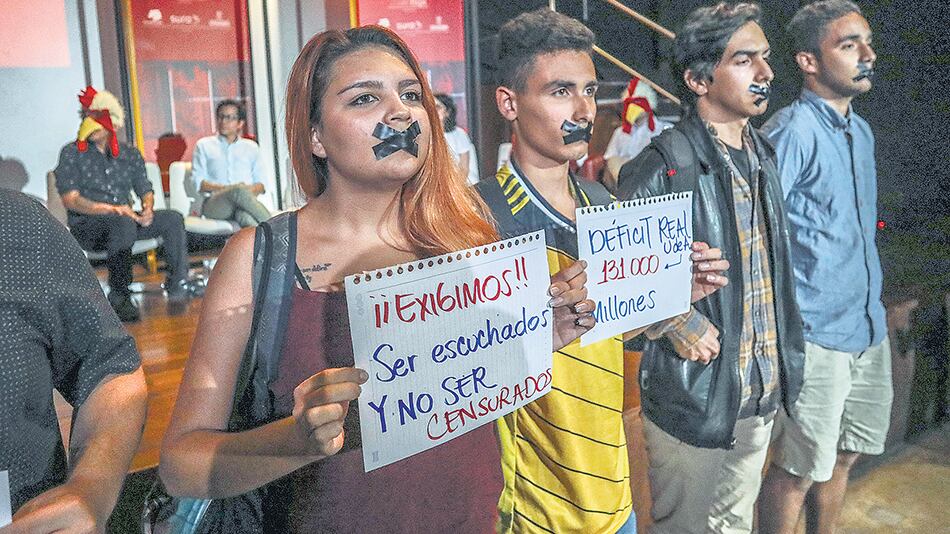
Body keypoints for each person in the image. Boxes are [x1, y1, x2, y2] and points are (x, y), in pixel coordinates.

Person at [159, 26, 597, 533]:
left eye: (412, 95)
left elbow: (462, 392)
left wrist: (538, 337)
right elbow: (180, 464)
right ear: (315, 136)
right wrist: (293, 441)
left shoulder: (471, 242)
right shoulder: (258, 258)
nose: (401, 112)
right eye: (366, 98)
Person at [479, 9, 729, 533]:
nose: (583, 110)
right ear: (509, 102)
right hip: (535, 511)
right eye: (559, 91)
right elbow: (462, 373)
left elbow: (611, 329)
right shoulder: (476, 218)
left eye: (590, 91)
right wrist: (539, 334)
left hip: (614, 500)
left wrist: (671, 294)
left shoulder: (600, 200)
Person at [616, 3, 805, 533]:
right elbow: (623, 282)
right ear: (699, 78)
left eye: (765, 58)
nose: (766, 74)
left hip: (760, 385)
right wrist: (680, 322)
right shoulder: (661, 164)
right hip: (695, 394)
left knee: (734, 522)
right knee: (686, 528)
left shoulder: (762, 151)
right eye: (745, 60)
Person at [757, 3, 892, 533]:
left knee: (845, 454)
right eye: (848, 45)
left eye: (867, 41)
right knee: (795, 472)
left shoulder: (861, 133)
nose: (868, 55)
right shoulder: (790, 132)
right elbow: (758, 234)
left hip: (865, 327)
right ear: (808, 61)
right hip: (815, 336)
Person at [0, 189, 147, 533]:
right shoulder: (74, 155)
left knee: (131, 225)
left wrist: (90, 488)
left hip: (28, 516)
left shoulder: (15, 223)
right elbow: (72, 197)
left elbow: (108, 366)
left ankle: (122, 294)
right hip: (90, 221)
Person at [54, 86, 200, 323]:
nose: (90, 124)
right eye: (87, 118)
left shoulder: (129, 154)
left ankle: (178, 282)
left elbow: (145, 187)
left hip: (126, 220)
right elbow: (71, 199)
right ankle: (120, 294)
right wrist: (114, 209)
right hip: (90, 226)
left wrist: (147, 208)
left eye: (97, 119)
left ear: (113, 123)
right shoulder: (72, 153)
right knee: (121, 222)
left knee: (172, 218)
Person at [191, 99, 271, 227]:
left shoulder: (251, 147)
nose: (223, 122)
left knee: (244, 217)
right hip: (215, 204)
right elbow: (198, 183)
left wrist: (245, 192)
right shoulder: (204, 145)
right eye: (221, 117)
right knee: (238, 191)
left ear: (240, 123)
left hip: (243, 203)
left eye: (229, 118)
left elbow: (262, 185)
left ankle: (267, 245)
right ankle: (279, 231)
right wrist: (231, 190)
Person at [603, 77, 673, 188]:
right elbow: (610, 162)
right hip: (622, 182)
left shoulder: (665, 129)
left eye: (637, 103)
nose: (632, 108)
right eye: (629, 104)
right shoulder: (619, 133)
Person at [434, 93, 480, 184]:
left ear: (447, 112)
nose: (433, 111)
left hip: (461, 185)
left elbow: (464, 167)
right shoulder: (427, 135)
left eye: (437, 107)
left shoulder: (459, 134)